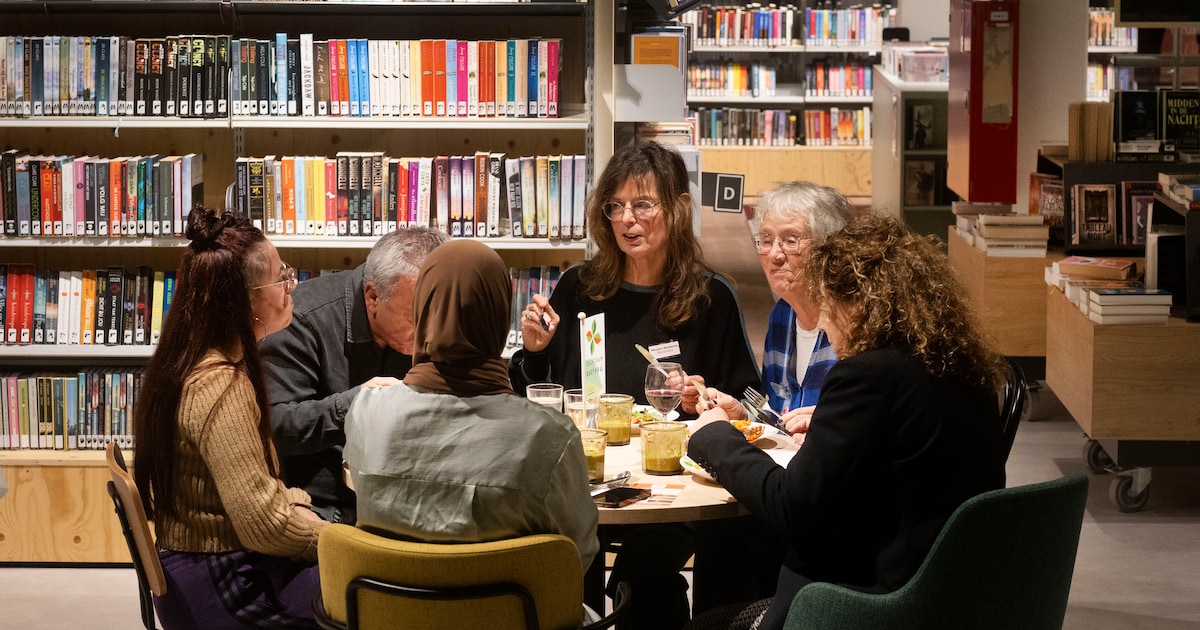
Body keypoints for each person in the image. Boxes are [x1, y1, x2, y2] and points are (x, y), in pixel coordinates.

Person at [685, 215, 1009, 630]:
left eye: (827, 304)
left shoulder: (866, 376)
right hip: (951, 592)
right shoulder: (958, 365)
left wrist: (715, 436)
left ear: (860, 302)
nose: (821, 322)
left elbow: (790, 506)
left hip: (866, 605)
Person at [510, 141, 760, 630]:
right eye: (616, 207)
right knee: (565, 555)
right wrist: (534, 352)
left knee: (645, 574)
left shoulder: (711, 296)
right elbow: (538, 394)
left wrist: (716, 402)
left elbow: (753, 401)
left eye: (643, 205)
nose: (627, 220)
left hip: (675, 487)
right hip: (585, 477)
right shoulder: (579, 287)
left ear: (675, 210)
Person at [343, 240, 598, 573]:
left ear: (422, 310)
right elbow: (579, 554)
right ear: (498, 313)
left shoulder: (366, 412)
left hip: (391, 613)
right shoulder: (549, 435)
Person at [133, 208, 327, 629]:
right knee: (362, 595)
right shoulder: (222, 388)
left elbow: (256, 499)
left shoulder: (189, 360)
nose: (292, 285)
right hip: (220, 584)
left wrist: (296, 503)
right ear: (247, 300)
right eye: (282, 276)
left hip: (199, 566)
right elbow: (265, 527)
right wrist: (337, 540)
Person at [687, 181, 856, 616]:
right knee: (719, 540)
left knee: (729, 539)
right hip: (786, 491)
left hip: (827, 515)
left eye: (791, 240)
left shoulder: (851, 324)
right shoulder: (783, 314)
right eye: (765, 240)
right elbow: (784, 416)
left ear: (829, 248)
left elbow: (840, 433)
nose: (775, 254)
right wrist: (743, 412)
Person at [261, 227, 447, 525]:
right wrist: (354, 406)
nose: (431, 333)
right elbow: (275, 427)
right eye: (417, 319)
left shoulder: (433, 322)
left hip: (412, 493)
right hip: (323, 504)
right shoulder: (302, 319)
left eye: (440, 316)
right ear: (373, 297)